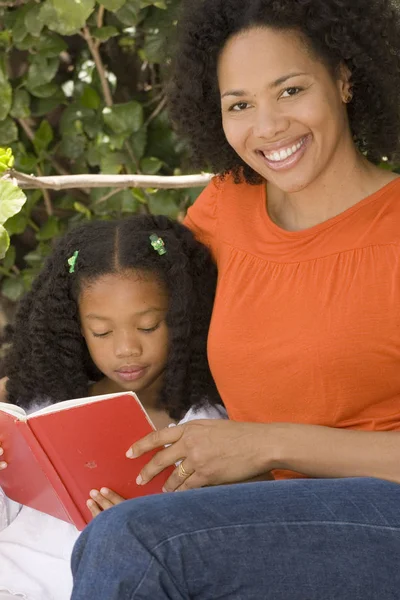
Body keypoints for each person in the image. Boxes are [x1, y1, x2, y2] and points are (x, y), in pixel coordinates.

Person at [70, 1, 400, 598]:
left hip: (387, 512)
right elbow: (143, 329)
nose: (268, 127)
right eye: (240, 105)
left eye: (291, 90)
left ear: (345, 79)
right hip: (276, 506)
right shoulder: (229, 207)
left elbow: (260, 447)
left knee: (137, 543)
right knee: (119, 531)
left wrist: (266, 443)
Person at [0, 214, 225, 600]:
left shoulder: (207, 429)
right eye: (101, 332)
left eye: (148, 326)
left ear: (184, 319)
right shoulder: (39, 406)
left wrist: (134, 533)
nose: (126, 349)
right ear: (75, 328)